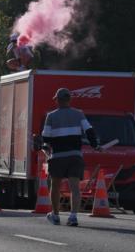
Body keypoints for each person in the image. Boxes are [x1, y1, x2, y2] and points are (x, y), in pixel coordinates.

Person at [41, 87, 100, 227]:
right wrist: (94, 145)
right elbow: (89, 131)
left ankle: (55, 215)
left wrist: (43, 144)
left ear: (57, 100)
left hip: (58, 156)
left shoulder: (51, 116)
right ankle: (73, 216)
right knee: (75, 187)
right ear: (69, 100)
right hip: (75, 156)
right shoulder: (79, 114)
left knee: (55, 186)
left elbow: (46, 137)